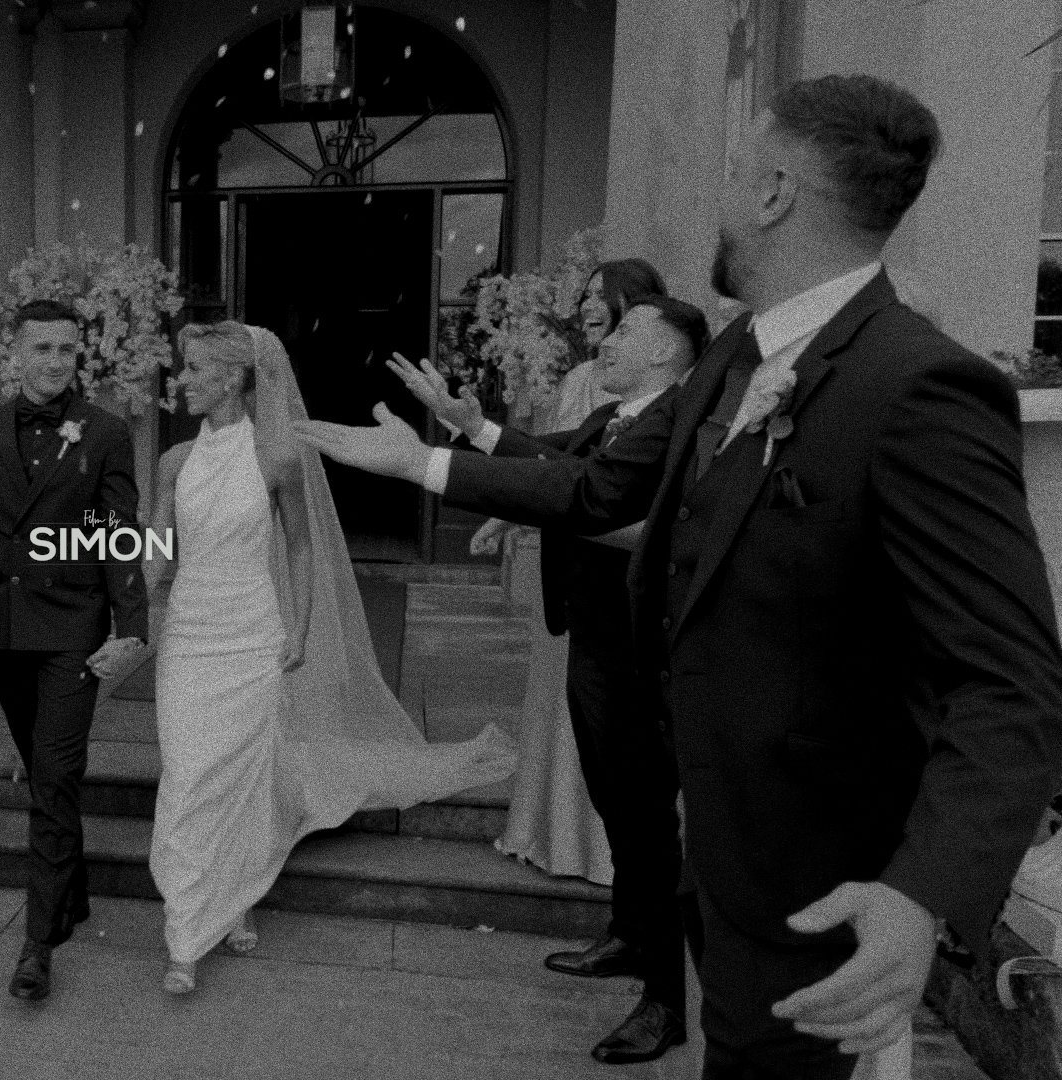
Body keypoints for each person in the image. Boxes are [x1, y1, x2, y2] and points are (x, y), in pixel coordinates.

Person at [297, 74, 1062, 1078]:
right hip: (721, 846)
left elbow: (1013, 683)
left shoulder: (917, 385)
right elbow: (597, 487)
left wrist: (921, 893)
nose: (723, 188)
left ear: (777, 191)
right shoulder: (741, 349)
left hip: (817, 876)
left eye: (735, 166)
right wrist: (422, 465)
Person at [146, 322, 515, 995]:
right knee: (188, 770)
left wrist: (300, 626)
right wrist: (116, 596)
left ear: (230, 378)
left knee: (242, 772)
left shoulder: (277, 459)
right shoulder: (173, 462)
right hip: (189, 636)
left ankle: (207, 920)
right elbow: (154, 552)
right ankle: (202, 906)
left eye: (193, 368)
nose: (182, 380)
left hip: (253, 633)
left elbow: (299, 547)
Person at [419, 296, 707, 1064]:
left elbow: (581, 494)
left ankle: (666, 1003)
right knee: (616, 801)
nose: (604, 343)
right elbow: (552, 461)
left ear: (667, 354)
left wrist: (433, 464)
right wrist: (469, 424)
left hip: (644, 652)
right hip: (595, 639)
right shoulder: (617, 417)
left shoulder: (678, 422)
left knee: (651, 823)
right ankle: (630, 935)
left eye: (624, 332)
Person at [0, 299, 148, 1001]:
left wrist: (131, 628)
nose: (56, 362)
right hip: (3, 629)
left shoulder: (107, 432)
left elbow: (123, 532)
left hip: (73, 631)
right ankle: (70, 893)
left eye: (67, 349)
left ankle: (36, 945)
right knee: (42, 771)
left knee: (55, 776)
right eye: (42, 349)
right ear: (15, 354)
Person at [478, 258, 667, 893]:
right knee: (563, 698)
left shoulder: (665, 397)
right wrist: (508, 514)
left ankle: (614, 856)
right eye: (582, 296)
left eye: (600, 296)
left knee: (616, 711)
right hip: (572, 567)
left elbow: (590, 484)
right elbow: (555, 466)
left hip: (625, 575)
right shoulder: (583, 380)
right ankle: (557, 834)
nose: (587, 306)